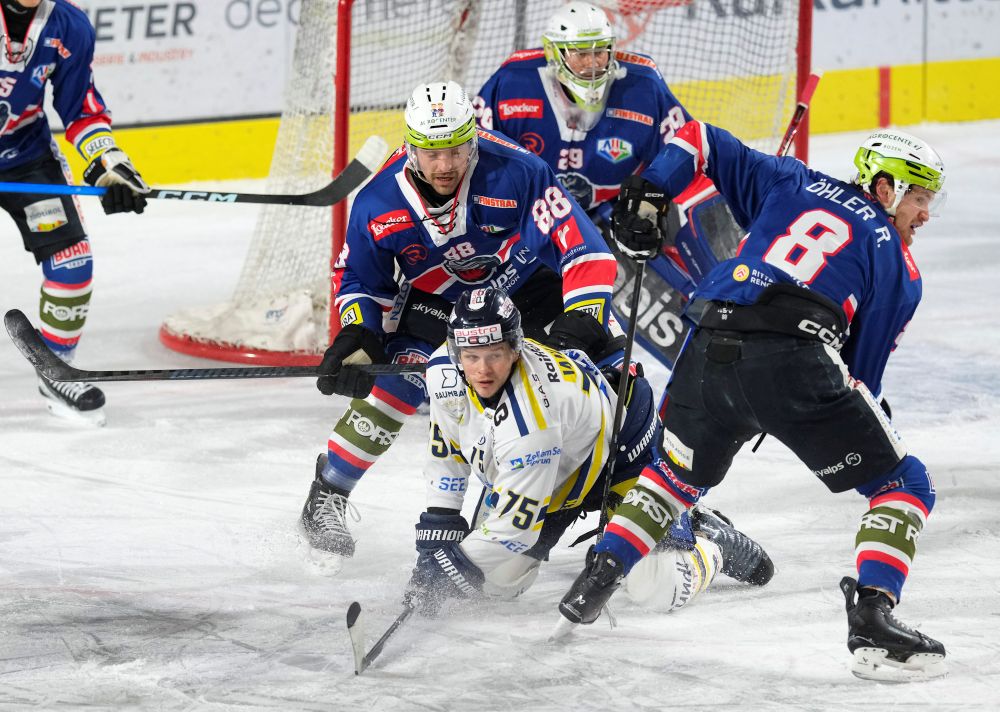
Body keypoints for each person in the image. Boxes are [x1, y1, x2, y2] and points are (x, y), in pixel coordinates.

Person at [558, 123, 948, 682]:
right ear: (883, 187)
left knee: (673, 477)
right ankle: (873, 619)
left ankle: (596, 580)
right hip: (792, 358)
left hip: (705, 343)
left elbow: (697, 138)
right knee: (905, 484)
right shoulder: (900, 266)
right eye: (917, 196)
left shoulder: (791, 179)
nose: (924, 213)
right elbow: (861, 376)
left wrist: (651, 191)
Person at [301, 80, 623, 562]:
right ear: (409, 147)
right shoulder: (376, 203)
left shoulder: (520, 171)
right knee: (405, 378)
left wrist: (582, 320)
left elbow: (589, 254)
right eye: (431, 153)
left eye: (455, 149)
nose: (445, 165)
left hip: (525, 287)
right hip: (435, 301)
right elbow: (358, 282)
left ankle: (641, 496)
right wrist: (359, 334)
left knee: (615, 366)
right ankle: (329, 489)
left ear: (473, 137)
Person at [403, 285, 772, 615]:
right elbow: (447, 450)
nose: (482, 370)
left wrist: (445, 565)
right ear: (454, 352)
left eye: (495, 355)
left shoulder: (533, 417)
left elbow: (514, 531)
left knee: (658, 587)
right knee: (497, 585)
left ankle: (706, 540)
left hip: (621, 451)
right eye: (471, 356)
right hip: (561, 465)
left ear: (515, 349)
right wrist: (441, 526)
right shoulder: (441, 372)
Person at [473, 1, 740, 366]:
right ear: (555, 53)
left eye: (600, 51)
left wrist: (649, 205)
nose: (592, 63)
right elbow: (474, 155)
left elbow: (685, 149)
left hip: (616, 214)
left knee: (697, 227)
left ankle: (726, 326)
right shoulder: (513, 82)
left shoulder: (643, 85)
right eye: (581, 54)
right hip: (537, 222)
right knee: (504, 320)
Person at [0, 0, 150, 426]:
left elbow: (81, 111)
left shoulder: (69, 26)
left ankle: (56, 369)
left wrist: (109, 165)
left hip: (25, 158)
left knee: (72, 261)